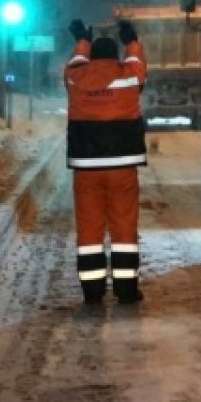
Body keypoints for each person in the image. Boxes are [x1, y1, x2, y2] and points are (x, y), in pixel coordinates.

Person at [64, 18, 147, 306]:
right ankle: (126, 291)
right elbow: (137, 62)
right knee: (124, 228)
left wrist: (82, 41)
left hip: (86, 170)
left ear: (91, 57)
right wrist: (132, 40)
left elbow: (75, 62)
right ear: (116, 56)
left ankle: (92, 292)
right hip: (122, 168)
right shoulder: (129, 76)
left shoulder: (76, 77)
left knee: (89, 230)